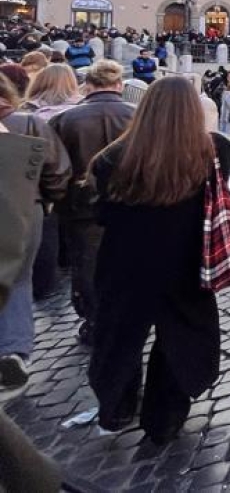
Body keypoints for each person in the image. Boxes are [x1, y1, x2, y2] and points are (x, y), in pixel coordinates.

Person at [86, 78, 228, 442]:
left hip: (124, 263)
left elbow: (101, 214)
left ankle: (115, 407)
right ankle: (164, 419)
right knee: (181, 341)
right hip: (185, 263)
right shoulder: (213, 151)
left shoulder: (114, 157)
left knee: (119, 338)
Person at [48, 59, 134, 345]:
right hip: (131, 203)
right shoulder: (137, 116)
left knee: (86, 264)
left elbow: (55, 167)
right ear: (119, 85)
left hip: (81, 206)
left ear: (89, 85)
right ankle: (125, 316)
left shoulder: (65, 120)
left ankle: (95, 319)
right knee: (128, 259)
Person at [0, 74, 69, 395]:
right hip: (27, 209)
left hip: (30, 207)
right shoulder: (28, 122)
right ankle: (13, 350)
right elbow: (57, 170)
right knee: (19, 280)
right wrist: (49, 200)